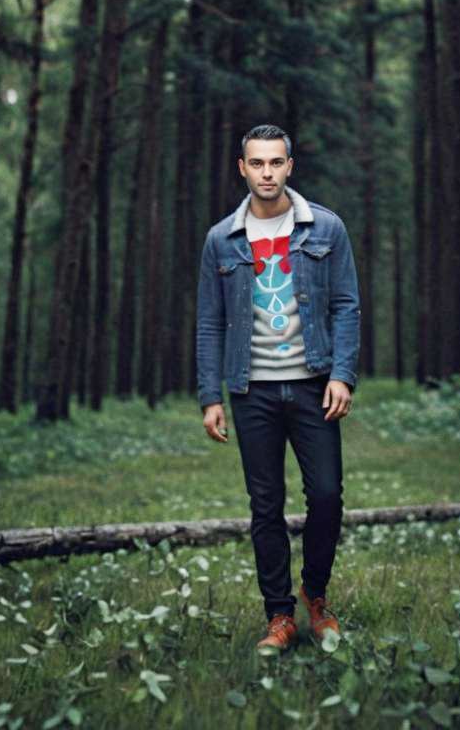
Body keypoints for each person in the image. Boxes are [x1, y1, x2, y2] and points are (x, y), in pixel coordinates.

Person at [196, 124, 360, 651]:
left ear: (290, 166)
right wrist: (209, 396)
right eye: (257, 163)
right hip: (253, 390)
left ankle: (315, 597)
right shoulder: (221, 238)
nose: (267, 172)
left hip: (313, 384)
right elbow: (209, 322)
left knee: (328, 496)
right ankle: (279, 616)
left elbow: (345, 306)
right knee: (265, 504)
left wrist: (341, 373)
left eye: (276, 162)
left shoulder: (326, 229)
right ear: (242, 168)